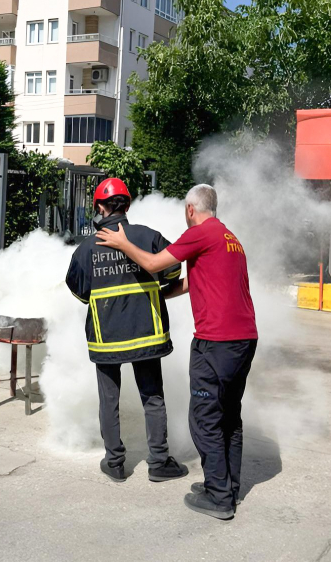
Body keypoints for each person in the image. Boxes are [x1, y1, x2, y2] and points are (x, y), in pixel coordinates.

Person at [96, 184, 258, 520]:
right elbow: (194, 281)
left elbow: (154, 262)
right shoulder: (230, 239)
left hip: (216, 343)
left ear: (190, 209)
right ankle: (227, 486)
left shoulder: (200, 233)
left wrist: (123, 243)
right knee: (229, 416)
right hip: (244, 340)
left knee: (205, 419)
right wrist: (153, 296)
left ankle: (219, 498)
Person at [66, 177, 189, 484]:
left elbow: (80, 292)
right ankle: (159, 462)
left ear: (99, 207)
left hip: (106, 337)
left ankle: (115, 463)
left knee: (109, 400)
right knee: (153, 397)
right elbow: (173, 270)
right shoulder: (148, 237)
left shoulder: (87, 248)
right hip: (146, 332)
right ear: (128, 205)